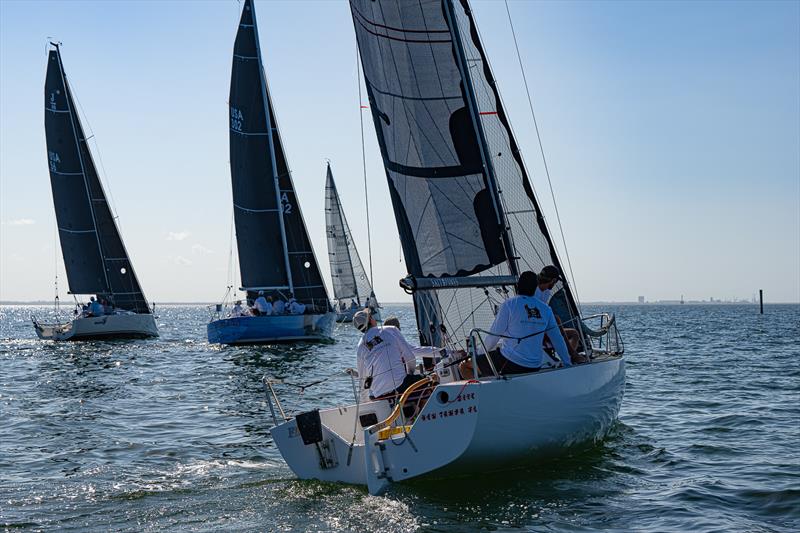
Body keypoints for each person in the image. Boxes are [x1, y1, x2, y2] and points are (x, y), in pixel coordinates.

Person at [469, 271, 571, 376]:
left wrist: (480, 355)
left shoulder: (509, 304)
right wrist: (568, 363)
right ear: (535, 287)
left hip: (511, 363)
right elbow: (557, 339)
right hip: (535, 366)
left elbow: (494, 336)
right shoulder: (546, 309)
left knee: (466, 365)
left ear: (518, 285)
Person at [354, 309, 440, 401]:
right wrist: (410, 374)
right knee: (432, 383)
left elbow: (363, 379)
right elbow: (410, 356)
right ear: (371, 319)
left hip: (379, 395)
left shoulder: (360, 346)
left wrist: (365, 403)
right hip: (401, 388)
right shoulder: (391, 330)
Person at [536, 265, 585, 363]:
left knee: (574, 334)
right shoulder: (534, 291)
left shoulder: (546, 292)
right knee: (557, 319)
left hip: (544, 327)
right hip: (535, 329)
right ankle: (572, 355)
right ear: (553, 280)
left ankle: (569, 356)